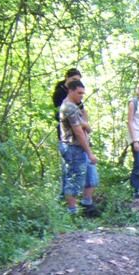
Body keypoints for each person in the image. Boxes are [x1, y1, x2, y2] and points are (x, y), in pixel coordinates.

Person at [59, 80, 98, 216]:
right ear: (70, 91)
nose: (82, 96)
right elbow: (79, 131)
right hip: (72, 147)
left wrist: (85, 124)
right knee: (74, 178)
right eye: (79, 93)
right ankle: (72, 212)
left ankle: (86, 207)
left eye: (83, 93)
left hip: (79, 147)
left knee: (90, 178)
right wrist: (90, 152)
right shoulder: (68, 108)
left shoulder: (76, 107)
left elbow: (87, 127)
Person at [53, 68, 82, 197]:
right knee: (68, 166)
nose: (76, 83)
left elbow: (82, 110)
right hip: (65, 134)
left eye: (78, 81)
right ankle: (64, 195)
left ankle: (70, 195)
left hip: (77, 132)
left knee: (75, 167)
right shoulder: (59, 93)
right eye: (74, 80)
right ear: (67, 77)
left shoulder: (77, 94)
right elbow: (60, 112)